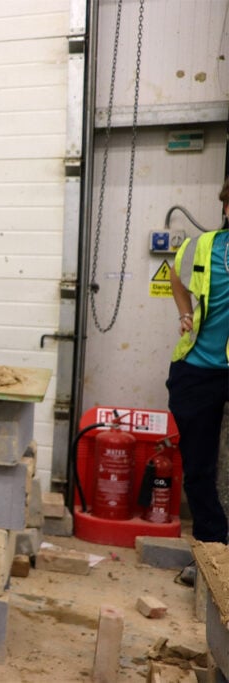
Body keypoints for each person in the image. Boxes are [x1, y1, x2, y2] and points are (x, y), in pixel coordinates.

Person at [166, 176, 229, 557]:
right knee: (199, 469)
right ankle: (213, 552)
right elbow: (176, 275)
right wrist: (185, 312)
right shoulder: (203, 247)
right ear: (226, 207)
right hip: (198, 367)